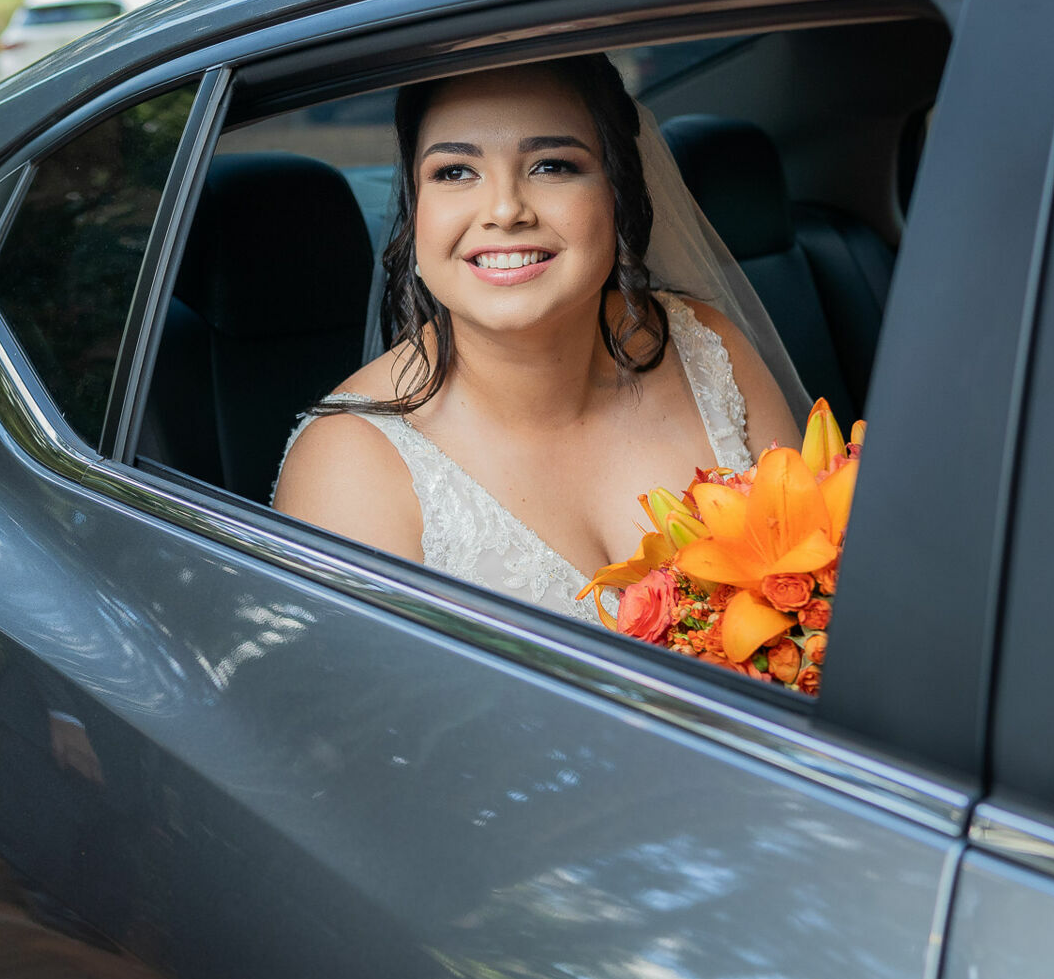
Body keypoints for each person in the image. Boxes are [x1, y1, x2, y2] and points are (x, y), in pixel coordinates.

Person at [273, 53, 803, 624]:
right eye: (455, 172)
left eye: (551, 166)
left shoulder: (706, 348)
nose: (505, 211)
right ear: (415, 209)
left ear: (618, 192)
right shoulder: (348, 466)